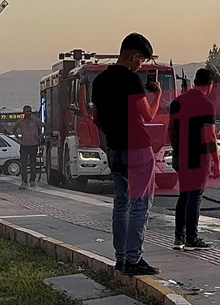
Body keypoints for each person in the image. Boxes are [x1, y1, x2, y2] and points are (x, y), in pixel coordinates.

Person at [92, 33, 163, 276]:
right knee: (140, 204)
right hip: (138, 148)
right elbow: (148, 115)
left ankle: (121, 258)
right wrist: (158, 95)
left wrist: (114, 133)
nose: (141, 66)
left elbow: (96, 119)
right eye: (141, 60)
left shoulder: (100, 80)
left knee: (121, 204)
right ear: (133, 56)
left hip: (114, 149)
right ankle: (134, 259)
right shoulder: (131, 80)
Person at [168, 68, 220, 251]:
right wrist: (216, 161)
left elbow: (170, 129)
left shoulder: (177, 102)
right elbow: (209, 136)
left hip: (180, 155)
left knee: (183, 195)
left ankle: (178, 238)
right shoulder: (207, 105)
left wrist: (177, 149)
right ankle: (192, 238)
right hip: (199, 156)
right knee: (195, 196)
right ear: (210, 84)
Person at [12, 105, 46, 189]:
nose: (28, 113)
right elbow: (14, 129)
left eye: (30, 111)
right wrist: (18, 137)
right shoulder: (20, 122)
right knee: (24, 164)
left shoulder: (35, 120)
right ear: (23, 112)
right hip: (24, 145)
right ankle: (24, 181)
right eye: (27, 111)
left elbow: (45, 126)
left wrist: (40, 136)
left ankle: (32, 180)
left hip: (34, 144)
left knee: (32, 164)